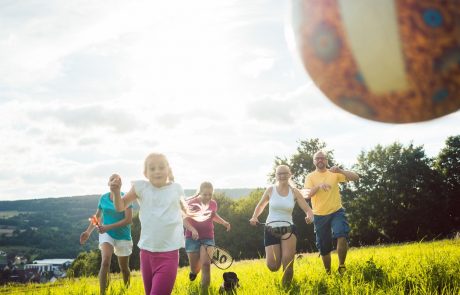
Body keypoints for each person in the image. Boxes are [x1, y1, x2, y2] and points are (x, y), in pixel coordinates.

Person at [110, 153, 191, 295]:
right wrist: (116, 192)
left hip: (168, 255)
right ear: (145, 173)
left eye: (161, 167)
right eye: (152, 168)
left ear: (168, 169)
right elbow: (120, 206)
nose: (157, 171)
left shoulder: (176, 188)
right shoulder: (141, 187)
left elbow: (185, 211)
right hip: (146, 254)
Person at [249, 165, 314, 287]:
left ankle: (286, 289)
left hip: (288, 229)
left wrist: (310, 216)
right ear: (276, 176)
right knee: (273, 266)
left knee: (288, 264)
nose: (282, 176)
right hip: (271, 229)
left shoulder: (294, 192)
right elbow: (261, 205)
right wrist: (254, 216)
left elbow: (307, 209)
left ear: (290, 175)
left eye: (285, 173)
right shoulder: (270, 190)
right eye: (279, 174)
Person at [304, 150, 359, 274]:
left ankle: (341, 266)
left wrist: (341, 171)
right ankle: (328, 273)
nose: (320, 160)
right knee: (324, 248)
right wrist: (318, 186)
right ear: (314, 161)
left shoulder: (333, 173)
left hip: (336, 211)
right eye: (317, 158)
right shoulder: (310, 177)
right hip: (319, 215)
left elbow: (356, 177)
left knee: (342, 234)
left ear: (326, 160)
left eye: (322, 158)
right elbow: (306, 195)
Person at [80, 174, 133, 295]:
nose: (114, 181)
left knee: (124, 269)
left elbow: (128, 220)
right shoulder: (103, 198)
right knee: (105, 262)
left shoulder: (126, 198)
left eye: (117, 180)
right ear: (108, 183)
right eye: (111, 179)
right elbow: (97, 216)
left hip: (123, 236)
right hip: (107, 234)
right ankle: (103, 292)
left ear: (120, 185)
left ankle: (126, 290)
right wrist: (88, 231)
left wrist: (108, 227)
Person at [184, 181, 231, 290]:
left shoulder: (213, 203)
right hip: (192, 238)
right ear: (199, 193)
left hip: (208, 237)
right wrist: (193, 230)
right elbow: (185, 220)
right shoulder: (192, 203)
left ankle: (204, 290)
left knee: (206, 264)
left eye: (210, 194)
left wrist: (224, 222)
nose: (208, 197)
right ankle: (193, 272)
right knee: (195, 268)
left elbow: (213, 215)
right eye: (205, 194)